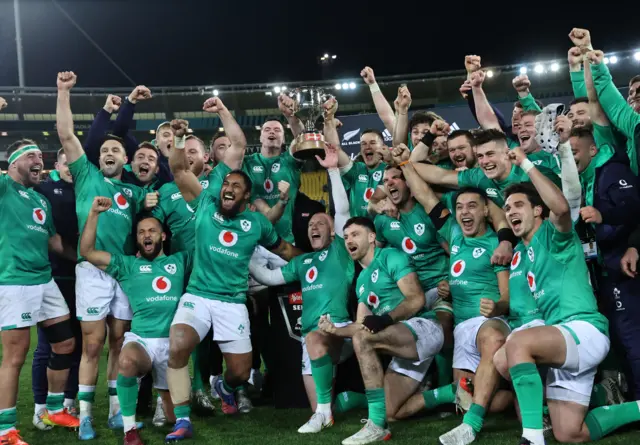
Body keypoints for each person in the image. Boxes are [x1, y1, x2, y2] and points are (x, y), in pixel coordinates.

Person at [164, 119, 301, 442]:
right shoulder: (204, 206)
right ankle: (182, 420)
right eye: (227, 184)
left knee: (240, 372)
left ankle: (224, 388)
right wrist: (181, 138)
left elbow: (283, 249)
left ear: (246, 195)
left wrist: (314, 256)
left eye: (237, 186)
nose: (229, 187)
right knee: (178, 346)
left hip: (232, 301)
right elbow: (181, 172)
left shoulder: (255, 224)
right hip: (198, 295)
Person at [502, 147, 640, 445]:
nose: (510, 211)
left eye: (517, 205)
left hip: (583, 330)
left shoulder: (555, 234)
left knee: (516, 345)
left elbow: (563, 209)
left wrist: (525, 163)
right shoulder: (523, 253)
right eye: (507, 208)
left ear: (538, 209)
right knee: (570, 433)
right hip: (562, 341)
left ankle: (532, 438)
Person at [56, 71, 156, 440]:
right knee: (93, 344)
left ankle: (116, 411)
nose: (109, 154)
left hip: (124, 272)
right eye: (104, 151)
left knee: (119, 342)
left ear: (125, 159)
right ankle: (84, 414)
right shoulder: (86, 176)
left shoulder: (132, 193)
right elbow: (66, 134)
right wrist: (64, 92)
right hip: (92, 271)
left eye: (115, 150)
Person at [248, 144, 354, 433]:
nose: (314, 227)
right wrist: (243, 250)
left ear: (333, 231)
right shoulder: (302, 260)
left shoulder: (341, 251)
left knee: (315, 342)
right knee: (312, 371)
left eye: (322, 223)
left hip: (340, 330)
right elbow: (269, 278)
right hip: (313, 337)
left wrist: (332, 170)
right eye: (311, 225)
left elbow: (342, 209)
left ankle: (323, 413)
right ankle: (341, 405)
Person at [320, 216, 444, 445]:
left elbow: (416, 299)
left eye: (355, 234)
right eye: (346, 237)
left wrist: (385, 318)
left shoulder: (391, 256)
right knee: (392, 411)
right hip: (402, 345)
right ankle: (450, 393)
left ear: (371, 237)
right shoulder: (361, 281)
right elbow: (361, 325)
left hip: (424, 329)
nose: (348, 240)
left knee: (363, 340)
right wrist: (333, 330)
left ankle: (375, 425)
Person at [79, 197, 192, 445]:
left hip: (173, 345)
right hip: (142, 340)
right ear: (138, 239)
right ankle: (130, 431)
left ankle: (179, 414)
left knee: (175, 417)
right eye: (141, 232)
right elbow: (86, 252)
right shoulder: (127, 265)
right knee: (126, 360)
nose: (146, 235)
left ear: (163, 236)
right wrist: (94, 214)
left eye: (152, 231)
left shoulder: (181, 260)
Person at [0, 139, 80, 445]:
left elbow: (55, 242)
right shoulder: (5, 187)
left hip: (44, 281)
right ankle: (5, 430)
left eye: (40, 156)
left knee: (65, 343)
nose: (39, 160)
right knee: (15, 356)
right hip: (14, 282)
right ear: (13, 162)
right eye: (31, 155)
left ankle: (55, 409)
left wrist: (86, 259)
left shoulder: (40, 200)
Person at [32, 148, 82, 430]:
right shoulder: (45, 190)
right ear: (56, 165)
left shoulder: (87, 188)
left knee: (75, 344)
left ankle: (68, 401)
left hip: (83, 280)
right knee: (46, 347)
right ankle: (40, 407)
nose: (70, 170)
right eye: (66, 164)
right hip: (52, 278)